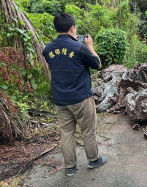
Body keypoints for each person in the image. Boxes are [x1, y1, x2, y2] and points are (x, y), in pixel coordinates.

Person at [42, 12, 107, 176]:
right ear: (72, 27)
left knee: (66, 133)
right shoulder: (80, 47)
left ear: (56, 28)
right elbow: (97, 63)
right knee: (88, 131)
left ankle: (70, 167)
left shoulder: (47, 49)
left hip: (60, 99)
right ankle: (93, 160)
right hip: (81, 98)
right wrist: (90, 45)